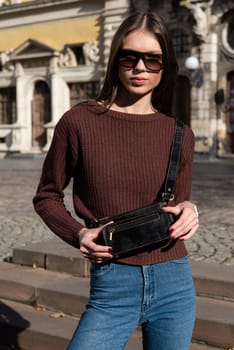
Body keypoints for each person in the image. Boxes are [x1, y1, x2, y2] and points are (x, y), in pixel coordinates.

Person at [33, 9, 199, 350]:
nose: (140, 68)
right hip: (112, 283)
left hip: (174, 282)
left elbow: (176, 203)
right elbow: (46, 196)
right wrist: (77, 232)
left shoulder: (179, 133)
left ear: (165, 66)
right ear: (115, 60)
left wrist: (189, 208)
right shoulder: (79, 122)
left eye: (153, 60)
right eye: (131, 57)